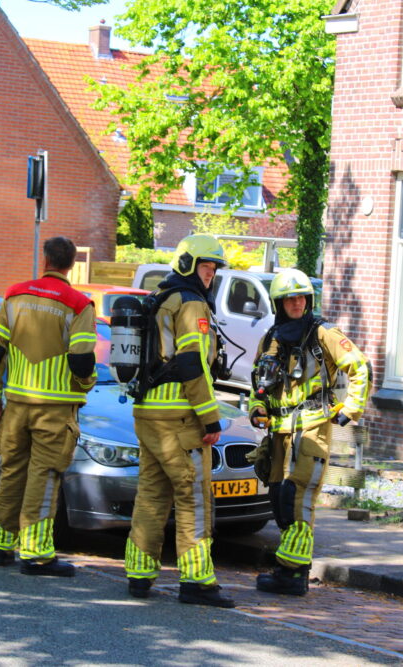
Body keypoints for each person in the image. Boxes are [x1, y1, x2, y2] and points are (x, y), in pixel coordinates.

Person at [124, 234, 234, 608]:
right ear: (188, 265)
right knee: (194, 497)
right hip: (178, 416)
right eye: (206, 267)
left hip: (149, 412)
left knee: (152, 494)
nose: (210, 275)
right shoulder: (190, 304)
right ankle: (198, 581)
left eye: (214, 269)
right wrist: (210, 418)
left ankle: (139, 574)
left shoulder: (161, 296)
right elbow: (192, 363)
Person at [246, 269, 371, 596]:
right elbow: (258, 382)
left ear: (309, 300)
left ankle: (293, 574)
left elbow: (359, 366)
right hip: (278, 432)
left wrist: (349, 410)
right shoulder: (270, 337)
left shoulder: (324, 333)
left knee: (297, 496)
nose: (297, 303)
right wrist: (256, 409)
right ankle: (288, 569)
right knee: (277, 498)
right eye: (290, 298)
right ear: (280, 303)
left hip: (312, 425)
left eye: (302, 297)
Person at [0, 236, 97, 577]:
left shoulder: (14, 296)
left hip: (16, 403)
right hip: (56, 409)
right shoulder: (79, 304)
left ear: (45, 260)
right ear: (71, 265)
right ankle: (36, 553)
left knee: (11, 472)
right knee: (44, 477)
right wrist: (87, 385)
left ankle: (1, 545)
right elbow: (80, 361)